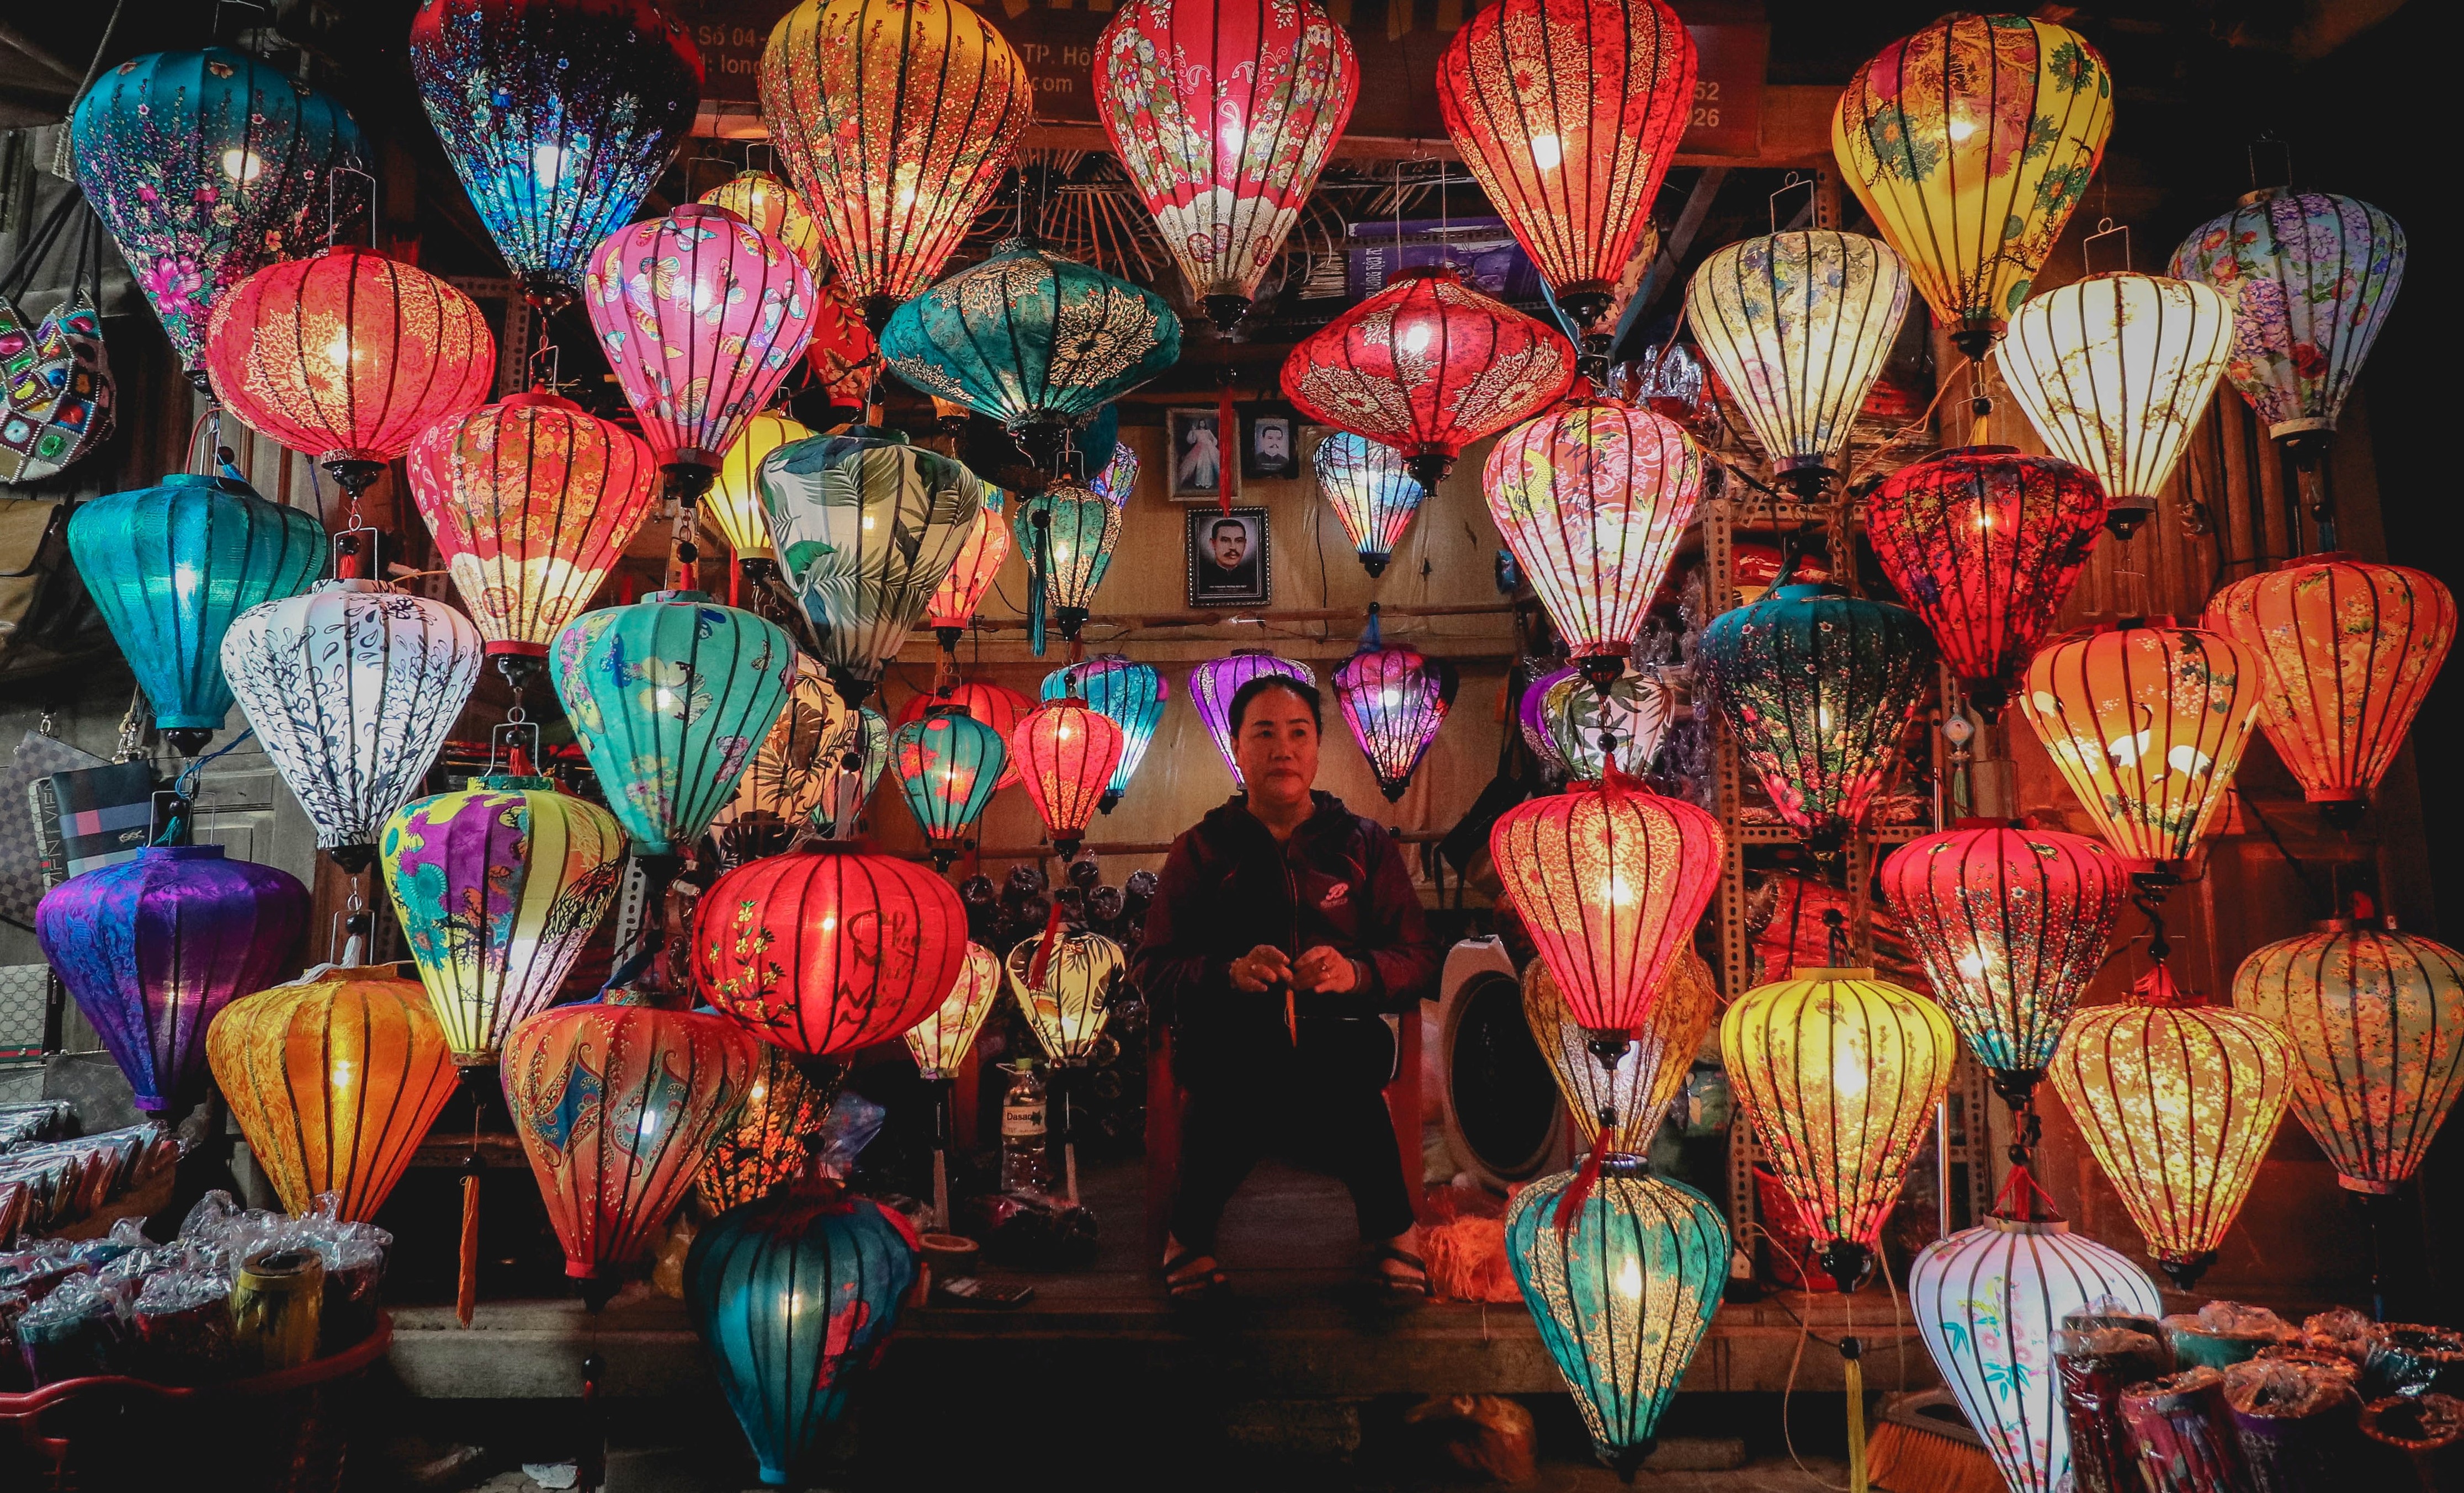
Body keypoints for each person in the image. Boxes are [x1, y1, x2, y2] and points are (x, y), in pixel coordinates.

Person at [1130, 674, 1442, 1304]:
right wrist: (1229, 973)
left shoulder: (1363, 844)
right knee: (1248, 1055)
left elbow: (1419, 956)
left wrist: (1354, 973)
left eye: (1299, 733)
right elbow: (1154, 965)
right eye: (1264, 733)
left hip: (1341, 1034)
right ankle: (1396, 1234)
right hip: (1227, 1035)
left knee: (1335, 1059)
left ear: (1318, 748)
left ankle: (1185, 1237)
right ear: (1237, 750)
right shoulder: (1202, 850)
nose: (1283, 748)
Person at [1194, 517, 1258, 598]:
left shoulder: (1254, 579)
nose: (1233, 547)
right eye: (1225, 540)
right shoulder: (1200, 579)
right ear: (1213, 543)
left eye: (1239, 541)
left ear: (1245, 544)